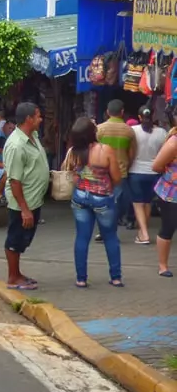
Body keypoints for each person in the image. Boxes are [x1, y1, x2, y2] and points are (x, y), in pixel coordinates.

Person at [63, 117, 123, 288]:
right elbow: (117, 178)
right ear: (92, 133)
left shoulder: (73, 152)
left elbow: (70, 174)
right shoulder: (106, 150)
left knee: (82, 237)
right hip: (102, 198)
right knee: (110, 237)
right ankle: (116, 277)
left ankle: (81, 278)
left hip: (80, 196)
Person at [3, 102, 49, 291]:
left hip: (33, 199)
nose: (41, 118)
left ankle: (17, 273)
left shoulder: (33, 136)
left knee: (24, 239)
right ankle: (13, 277)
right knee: (15, 238)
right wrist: (24, 209)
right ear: (29, 119)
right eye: (38, 115)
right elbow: (14, 180)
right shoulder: (16, 145)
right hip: (23, 201)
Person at [129, 106, 168, 245]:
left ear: (139, 117)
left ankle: (144, 234)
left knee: (138, 203)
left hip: (135, 172)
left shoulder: (133, 131)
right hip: (154, 173)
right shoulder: (162, 132)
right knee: (147, 203)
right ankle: (141, 232)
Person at [97, 99, 136, 230]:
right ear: (122, 112)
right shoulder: (129, 131)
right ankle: (110, 227)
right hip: (121, 172)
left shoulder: (99, 129)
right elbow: (132, 154)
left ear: (108, 112)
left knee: (103, 201)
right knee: (116, 202)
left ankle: (104, 228)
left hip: (102, 172)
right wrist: (127, 165)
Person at [151, 106, 177, 278]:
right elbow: (156, 166)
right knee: (168, 228)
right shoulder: (173, 142)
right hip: (171, 193)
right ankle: (163, 265)